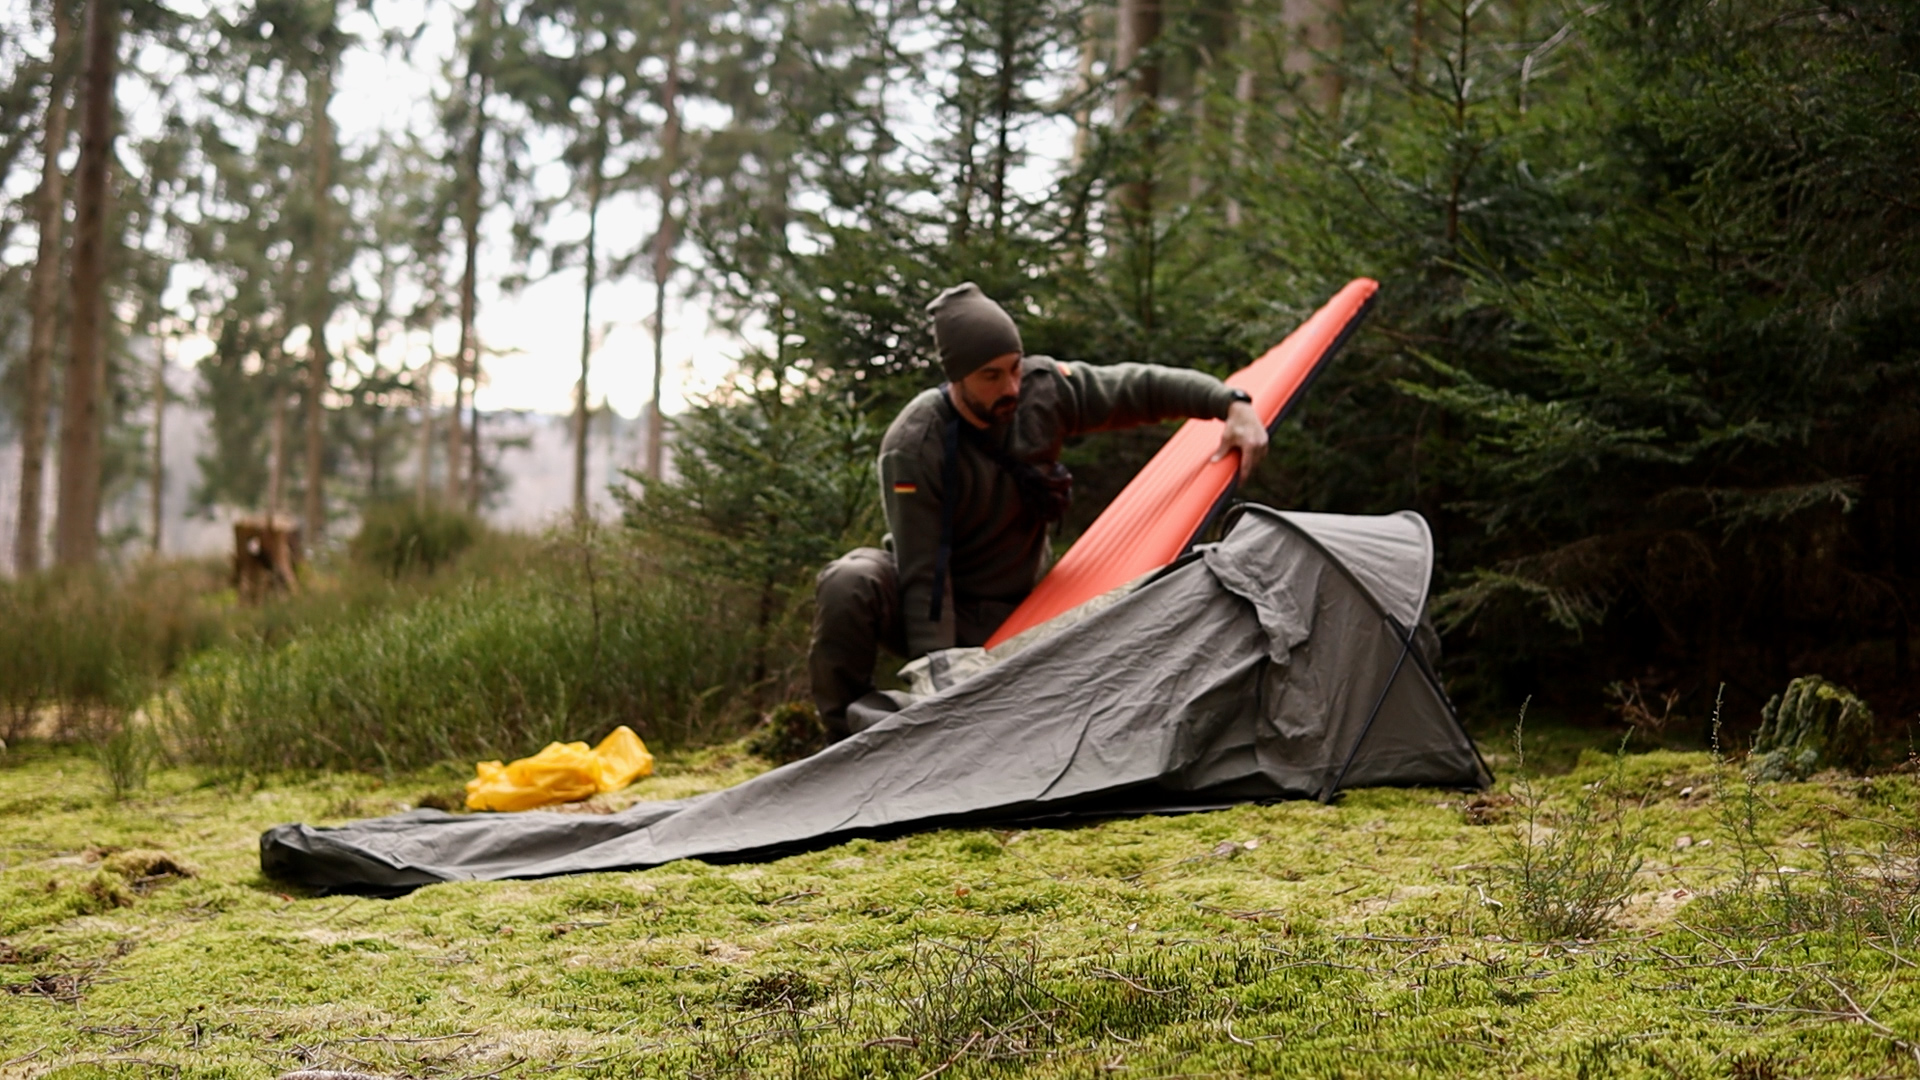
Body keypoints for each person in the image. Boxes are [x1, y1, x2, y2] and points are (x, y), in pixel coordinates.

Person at [808, 282, 1270, 738]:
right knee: (850, 581)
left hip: (1027, 608)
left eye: (1014, 367)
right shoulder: (915, 444)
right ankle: (845, 742)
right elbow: (924, 579)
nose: (1010, 386)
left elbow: (1138, 387)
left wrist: (1230, 402)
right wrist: (944, 685)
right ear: (956, 378)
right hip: (937, 604)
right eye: (991, 376)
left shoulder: (1041, 390)